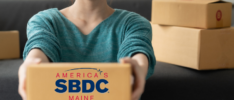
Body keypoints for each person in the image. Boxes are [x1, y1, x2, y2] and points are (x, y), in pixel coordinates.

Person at [18, 0, 156, 100]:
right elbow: (41, 45)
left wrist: (139, 68)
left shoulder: (134, 23)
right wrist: (30, 64)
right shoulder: (44, 20)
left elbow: (137, 49)